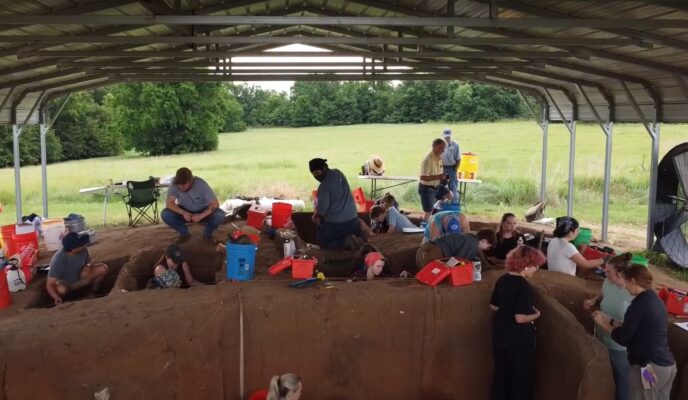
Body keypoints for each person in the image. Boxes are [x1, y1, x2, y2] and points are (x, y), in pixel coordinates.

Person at [593, 265, 677, 400]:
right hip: (667, 367)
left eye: (626, 282)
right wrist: (611, 320)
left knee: (642, 397)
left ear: (633, 281)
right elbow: (638, 328)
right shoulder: (655, 300)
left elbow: (623, 338)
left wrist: (602, 323)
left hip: (648, 369)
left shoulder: (638, 305)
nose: (625, 286)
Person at [490, 245, 546, 400]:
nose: (536, 269)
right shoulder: (523, 285)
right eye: (536, 266)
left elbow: (494, 306)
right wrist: (536, 314)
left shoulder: (502, 279)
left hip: (499, 333)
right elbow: (520, 318)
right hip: (518, 338)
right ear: (526, 265)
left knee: (501, 373)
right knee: (520, 376)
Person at [583, 253, 634, 400]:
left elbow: (632, 326)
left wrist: (605, 322)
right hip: (602, 337)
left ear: (619, 273)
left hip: (619, 346)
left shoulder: (632, 293)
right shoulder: (608, 282)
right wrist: (593, 300)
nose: (606, 274)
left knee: (622, 381)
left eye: (609, 272)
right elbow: (602, 293)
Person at [309, 158, 363, 250]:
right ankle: (354, 238)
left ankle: (345, 242)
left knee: (324, 242)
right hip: (353, 218)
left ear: (325, 168)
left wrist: (315, 216)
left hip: (336, 224)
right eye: (314, 174)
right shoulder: (338, 173)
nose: (317, 177)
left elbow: (322, 212)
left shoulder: (324, 187)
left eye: (318, 173)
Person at [161, 167, 225, 243]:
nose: (181, 187)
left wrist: (201, 216)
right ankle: (184, 234)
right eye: (179, 185)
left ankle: (207, 235)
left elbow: (215, 204)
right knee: (165, 214)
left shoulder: (201, 184)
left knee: (220, 215)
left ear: (190, 180)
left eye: (184, 184)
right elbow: (169, 203)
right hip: (184, 210)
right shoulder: (174, 182)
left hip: (202, 210)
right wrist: (183, 212)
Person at [46, 232, 109, 305]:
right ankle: (66, 302)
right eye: (81, 243)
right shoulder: (58, 259)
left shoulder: (83, 249)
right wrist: (56, 297)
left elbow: (88, 260)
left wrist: (87, 266)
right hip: (67, 285)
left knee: (103, 268)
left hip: (82, 279)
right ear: (74, 249)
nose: (84, 244)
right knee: (61, 289)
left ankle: (93, 292)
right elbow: (50, 284)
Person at [416, 229, 495, 268]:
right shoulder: (473, 245)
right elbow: (457, 260)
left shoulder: (469, 237)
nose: (485, 249)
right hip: (432, 255)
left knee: (422, 274)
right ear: (484, 241)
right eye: (488, 247)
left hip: (422, 251)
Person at [419, 138, 448, 221]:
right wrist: (439, 177)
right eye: (442, 148)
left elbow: (439, 172)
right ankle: (424, 229)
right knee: (428, 213)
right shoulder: (427, 160)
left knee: (449, 195)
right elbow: (423, 177)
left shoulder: (438, 158)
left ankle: (434, 213)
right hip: (426, 188)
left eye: (444, 149)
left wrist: (444, 178)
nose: (443, 151)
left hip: (437, 186)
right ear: (435, 147)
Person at [441, 128, 461, 205]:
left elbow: (458, 159)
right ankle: (440, 204)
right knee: (441, 187)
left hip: (452, 167)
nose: (447, 138)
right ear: (443, 136)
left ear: (451, 136)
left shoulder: (455, 145)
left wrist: (455, 170)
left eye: (448, 137)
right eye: (446, 137)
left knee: (453, 187)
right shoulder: (440, 144)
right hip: (442, 168)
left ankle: (454, 204)